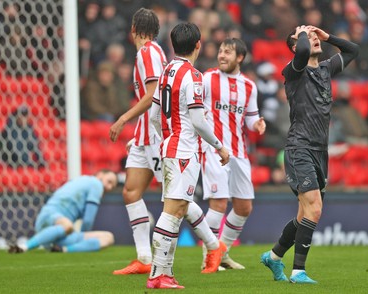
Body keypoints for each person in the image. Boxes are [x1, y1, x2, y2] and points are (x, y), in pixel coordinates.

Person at [110, 8, 228, 276]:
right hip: (152, 135)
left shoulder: (149, 53)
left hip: (161, 137)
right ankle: (145, 258)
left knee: (176, 201)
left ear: (134, 29)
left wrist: (126, 120)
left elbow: (154, 97)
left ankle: (212, 244)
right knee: (131, 192)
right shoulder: (169, 62)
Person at [260, 25, 359, 284]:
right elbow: (302, 49)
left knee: (304, 215)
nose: (313, 40)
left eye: (316, 37)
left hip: (319, 151)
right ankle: (298, 272)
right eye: (307, 38)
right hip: (299, 147)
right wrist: (302, 32)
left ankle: (273, 256)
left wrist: (328, 37)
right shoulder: (294, 71)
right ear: (295, 47)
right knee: (314, 210)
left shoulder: (326, 69)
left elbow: (353, 50)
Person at [147, 22, 230, 289]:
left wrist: (167, 137)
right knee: (172, 212)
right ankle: (158, 274)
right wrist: (219, 145)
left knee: (179, 209)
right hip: (183, 151)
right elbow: (197, 120)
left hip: (170, 146)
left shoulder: (166, 72)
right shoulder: (192, 75)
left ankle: (165, 273)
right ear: (198, 44)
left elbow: (153, 116)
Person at [201, 38, 266, 270]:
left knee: (244, 207)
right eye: (220, 51)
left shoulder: (249, 86)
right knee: (218, 203)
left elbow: (249, 117)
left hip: (239, 151)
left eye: (227, 52)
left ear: (240, 57)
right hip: (214, 149)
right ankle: (209, 258)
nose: (222, 56)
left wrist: (256, 124)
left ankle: (223, 252)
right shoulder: (207, 79)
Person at [8, 169, 118, 253]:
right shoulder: (96, 183)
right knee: (68, 225)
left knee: (108, 237)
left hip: (58, 236)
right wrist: (84, 237)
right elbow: (88, 220)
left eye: (113, 186)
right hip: (49, 218)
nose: (109, 187)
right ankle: (24, 246)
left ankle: (63, 249)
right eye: (109, 181)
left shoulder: (80, 180)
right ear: (99, 175)